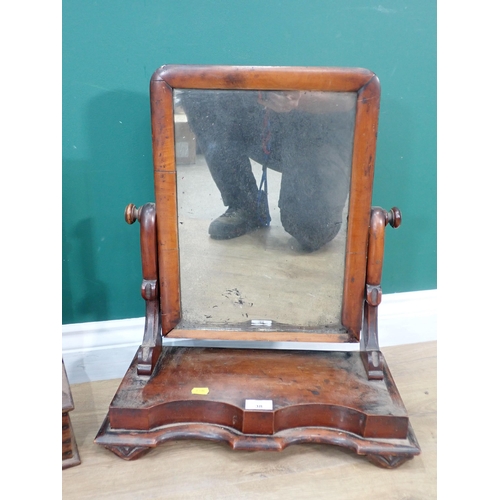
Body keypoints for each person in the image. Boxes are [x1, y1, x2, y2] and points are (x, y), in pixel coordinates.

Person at [178, 88, 356, 251]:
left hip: (318, 126)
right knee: (198, 96)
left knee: (311, 230)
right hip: (264, 117)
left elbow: (353, 95)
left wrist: (300, 99)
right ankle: (245, 204)